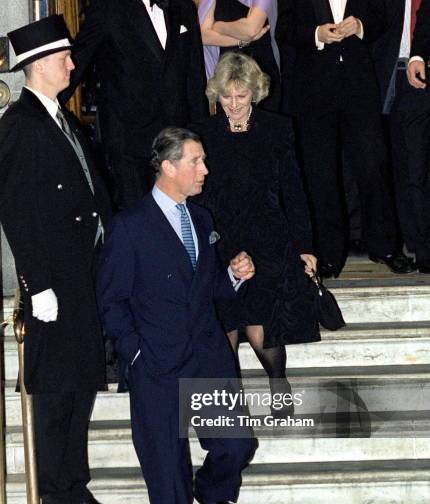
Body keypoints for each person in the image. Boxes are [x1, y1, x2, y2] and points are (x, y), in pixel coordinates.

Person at [96, 127, 258, 504]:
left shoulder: (201, 217)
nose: (204, 170)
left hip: (206, 357)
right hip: (157, 367)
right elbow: (110, 302)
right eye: (196, 161)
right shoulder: (130, 227)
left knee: (237, 444)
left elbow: (206, 291)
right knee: (166, 474)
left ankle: (211, 489)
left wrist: (232, 274)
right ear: (168, 167)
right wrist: (137, 352)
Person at [0, 16, 128, 504]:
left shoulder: (61, 117)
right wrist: (37, 285)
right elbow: (14, 211)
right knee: (55, 391)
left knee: (81, 386)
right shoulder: (17, 125)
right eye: (63, 59)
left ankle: (76, 488)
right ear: (35, 66)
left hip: (84, 274)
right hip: (53, 280)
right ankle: (55, 500)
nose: (73, 66)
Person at [190, 52, 320, 416]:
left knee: (263, 324)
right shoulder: (202, 133)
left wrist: (304, 246)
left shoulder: (277, 129)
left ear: (255, 93)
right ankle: (230, 408)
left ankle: (278, 386)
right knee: (224, 324)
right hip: (219, 240)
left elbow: (294, 191)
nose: (232, 105)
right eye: (226, 96)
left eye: (241, 97)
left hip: (267, 238)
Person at [276, 0, 416, 277]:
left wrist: (361, 27)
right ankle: (329, 254)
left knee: (373, 166)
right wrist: (317, 34)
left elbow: (383, 20)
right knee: (320, 174)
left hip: (359, 85)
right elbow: (285, 29)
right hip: (313, 90)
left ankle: (385, 247)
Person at [59, 0, 208, 209]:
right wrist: (43, 106)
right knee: (137, 223)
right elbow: (76, 64)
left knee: (177, 219)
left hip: (176, 139)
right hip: (127, 143)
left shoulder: (182, 6)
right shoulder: (108, 8)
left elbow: (195, 77)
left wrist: (201, 134)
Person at [198, 0, 281, 111]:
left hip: (261, 67)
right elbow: (203, 36)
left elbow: (250, 30)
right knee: (229, 119)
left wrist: (219, 26)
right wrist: (242, 41)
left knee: (264, 119)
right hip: (226, 71)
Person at [402, 0, 430, 272]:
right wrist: (417, 56)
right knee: (416, 169)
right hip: (423, 83)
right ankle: (425, 248)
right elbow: (426, 18)